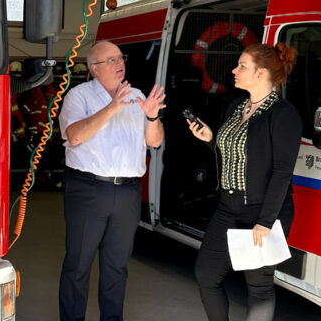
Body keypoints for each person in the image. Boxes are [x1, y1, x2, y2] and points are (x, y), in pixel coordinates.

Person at [187, 43, 302, 321]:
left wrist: (266, 222)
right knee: (206, 275)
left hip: (261, 212)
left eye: (242, 66)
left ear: (261, 73)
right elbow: (236, 156)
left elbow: (282, 172)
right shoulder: (237, 106)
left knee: (259, 288)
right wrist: (211, 139)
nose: (234, 71)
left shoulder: (283, 114)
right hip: (228, 207)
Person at [58, 40, 166, 321]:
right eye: (112, 60)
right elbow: (75, 136)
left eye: (121, 58)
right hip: (88, 189)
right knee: (78, 264)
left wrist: (152, 117)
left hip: (128, 192)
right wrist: (111, 107)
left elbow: (155, 141)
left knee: (116, 266)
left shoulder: (137, 95)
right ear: (95, 68)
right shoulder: (78, 96)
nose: (120, 63)